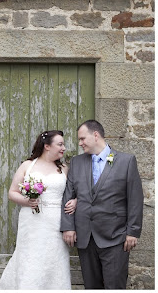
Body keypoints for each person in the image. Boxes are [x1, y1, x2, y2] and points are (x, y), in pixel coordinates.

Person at [61, 120, 143, 289]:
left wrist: (132, 232)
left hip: (115, 237)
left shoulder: (126, 161)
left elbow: (135, 198)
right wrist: (68, 226)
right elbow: (69, 194)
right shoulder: (77, 162)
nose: (80, 143)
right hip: (85, 237)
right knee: (91, 287)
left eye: (83, 138)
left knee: (115, 286)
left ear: (96, 135)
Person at [0, 130, 77, 290]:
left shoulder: (64, 168)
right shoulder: (28, 165)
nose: (64, 148)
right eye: (60, 144)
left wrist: (76, 201)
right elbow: (12, 193)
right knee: (30, 257)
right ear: (47, 146)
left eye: (63, 144)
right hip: (32, 221)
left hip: (55, 221)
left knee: (53, 257)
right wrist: (27, 201)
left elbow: (74, 191)